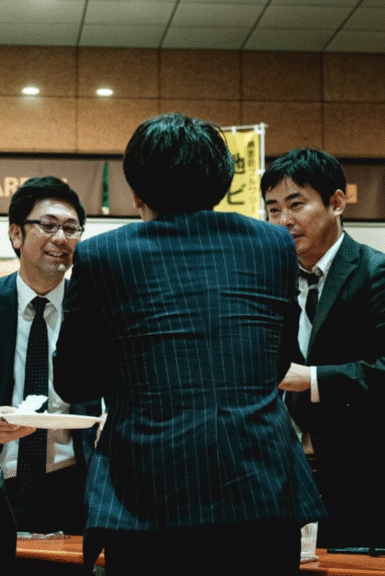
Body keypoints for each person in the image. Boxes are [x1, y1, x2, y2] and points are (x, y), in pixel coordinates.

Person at [54, 113, 325, 575]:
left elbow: (75, 377)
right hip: (260, 486)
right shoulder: (273, 246)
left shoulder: (103, 255)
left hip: (147, 495)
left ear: (138, 188)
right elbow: (278, 362)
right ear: (220, 180)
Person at [262, 147, 385, 550]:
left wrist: (314, 380)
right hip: (285, 482)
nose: (283, 221)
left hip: (371, 484)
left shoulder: (380, 272)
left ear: (336, 203)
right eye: (272, 209)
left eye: (296, 204)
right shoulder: (270, 281)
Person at [0, 176, 101, 535]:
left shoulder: (93, 308)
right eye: (48, 225)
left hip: (72, 483)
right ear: (16, 234)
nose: (61, 238)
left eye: (72, 228)